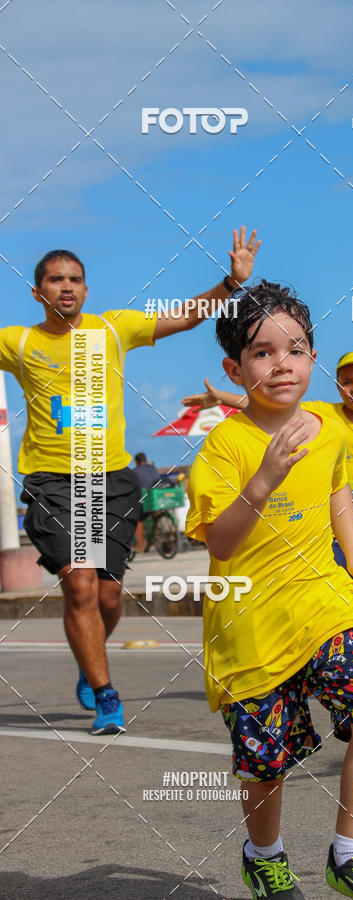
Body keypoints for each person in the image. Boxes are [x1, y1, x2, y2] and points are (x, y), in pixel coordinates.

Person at [186, 280, 353, 899]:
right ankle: (265, 854)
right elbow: (222, 542)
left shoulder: (328, 429)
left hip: (322, 599)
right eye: (262, 352)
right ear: (234, 367)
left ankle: (349, 853)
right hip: (248, 619)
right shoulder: (225, 445)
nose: (282, 363)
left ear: (314, 358)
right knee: (263, 762)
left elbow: (340, 494)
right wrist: (266, 478)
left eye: (297, 348)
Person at [0, 227, 260, 735]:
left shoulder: (113, 329)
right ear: (38, 292)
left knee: (107, 598)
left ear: (86, 290)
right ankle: (106, 695)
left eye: (75, 279)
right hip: (53, 480)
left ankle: (88, 657)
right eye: (55, 280)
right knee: (78, 585)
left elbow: (184, 317)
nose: (67, 287)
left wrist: (232, 281)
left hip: (107, 481)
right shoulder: (19, 341)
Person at [183, 354, 353, 703]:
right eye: (346, 381)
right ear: (337, 386)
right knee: (329, 598)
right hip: (323, 524)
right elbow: (266, 404)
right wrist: (222, 398)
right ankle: (323, 666)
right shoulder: (322, 414)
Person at [133, 452, 162, 553]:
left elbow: (134, 487)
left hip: (145, 501)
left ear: (136, 462)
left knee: (138, 521)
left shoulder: (135, 471)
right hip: (157, 499)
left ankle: (141, 545)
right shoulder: (153, 468)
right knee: (155, 515)